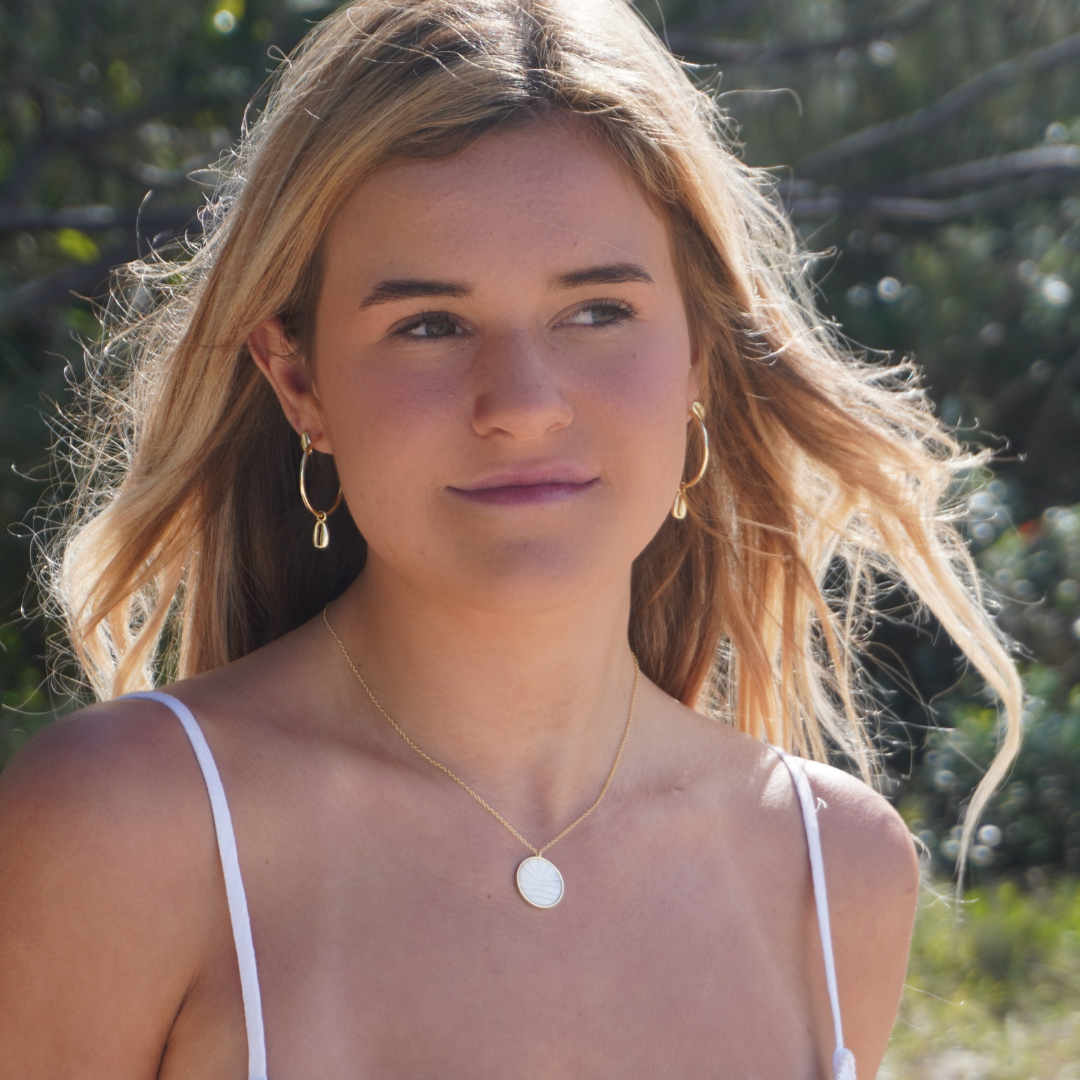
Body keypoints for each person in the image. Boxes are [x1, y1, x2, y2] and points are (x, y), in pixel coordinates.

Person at [0, 1, 1021, 1077]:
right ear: (298, 380)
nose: (523, 404)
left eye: (597, 312)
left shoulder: (834, 870)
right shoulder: (126, 825)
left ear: (700, 359)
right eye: (428, 325)